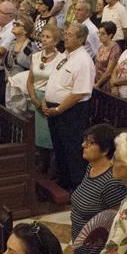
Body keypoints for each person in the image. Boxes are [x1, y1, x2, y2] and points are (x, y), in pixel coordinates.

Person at [70, 124, 127, 254]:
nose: (83, 145)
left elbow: (114, 220)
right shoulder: (91, 167)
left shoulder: (112, 182)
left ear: (105, 150)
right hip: (83, 242)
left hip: (97, 249)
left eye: (90, 143)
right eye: (84, 141)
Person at [43, 23, 96, 190]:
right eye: (65, 33)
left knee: (72, 148)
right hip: (56, 110)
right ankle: (63, 180)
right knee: (59, 146)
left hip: (71, 112)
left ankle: (76, 186)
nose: (65, 36)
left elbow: (79, 93)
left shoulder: (83, 61)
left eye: (70, 34)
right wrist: (46, 100)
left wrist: (58, 109)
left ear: (81, 39)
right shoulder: (65, 55)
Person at [27, 25, 63, 169]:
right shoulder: (36, 56)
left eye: (47, 37)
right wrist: (35, 100)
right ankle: (39, 163)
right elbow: (30, 81)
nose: (43, 39)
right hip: (36, 96)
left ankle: (50, 167)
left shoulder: (61, 59)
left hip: (50, 100)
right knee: (36, 135)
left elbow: (58, 83)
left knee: (48, 135)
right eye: (42, 36)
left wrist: (43, 102)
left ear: (55, 41)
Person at [94, 22, 121, 90]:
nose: (99, 35)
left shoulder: (115, 48)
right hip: (96, 81)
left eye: (103, 33)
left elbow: (109, 72)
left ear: (110, 35)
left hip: (106, 84)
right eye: (99, 33)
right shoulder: (101, 46)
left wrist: (97, 84)